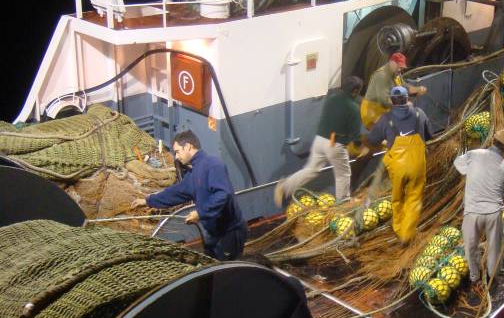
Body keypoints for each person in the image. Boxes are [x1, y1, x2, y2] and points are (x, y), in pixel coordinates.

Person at [130, 130, 247, 261]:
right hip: (213, 234)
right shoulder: (193, 173)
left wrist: (200, 213)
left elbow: (223, 194)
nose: (176, 157)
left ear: (188, 147)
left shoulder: (213, 165)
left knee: (228, 274)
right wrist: (148, 201)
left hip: (229, 233)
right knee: (212, 268)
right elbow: (175, 192)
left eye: (177, 151)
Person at [275, 76, 368, 205]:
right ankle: (343, 202)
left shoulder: (331, 99)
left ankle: (284, 187)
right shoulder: (353, 107)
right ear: (356, 91)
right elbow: (355, 135)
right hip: (334, 144)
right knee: (343, 174)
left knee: (311, 170)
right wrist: (361, 147)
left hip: (319, 140)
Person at [367, 86, 432, 243]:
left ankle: (398, 228)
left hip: (397, 166)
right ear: (407, 99)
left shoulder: (386, 118)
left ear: (391, 101)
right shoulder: (419, 113)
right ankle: (407, 234)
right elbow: (429, 135)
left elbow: (372, 140)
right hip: (417, 164)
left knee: (397, 199)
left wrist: (386, 140)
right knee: (414, 198)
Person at [454, 128, 504, 288]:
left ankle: (475, 277)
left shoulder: (474, 155)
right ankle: (492, 276)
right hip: (493, 214)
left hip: (472, 212)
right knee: (494, 247)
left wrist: (473, 172)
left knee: (470, 246)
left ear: (492, 141)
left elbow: (458, 164)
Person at [360, 52, 427, 129]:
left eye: (401, 67)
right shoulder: (382, 76)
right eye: (398, 66)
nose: (400, 69)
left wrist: (417, 90)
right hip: (372, 113)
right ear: (391, 63)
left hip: (385, 111)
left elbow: (403, 86)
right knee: (388, 135)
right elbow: (384, 101)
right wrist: (403, 104)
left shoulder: (396, 73)